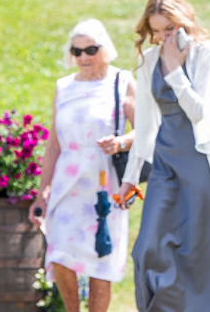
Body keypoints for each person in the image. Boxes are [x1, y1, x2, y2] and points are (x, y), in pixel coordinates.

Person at [116, 0, 210, 312]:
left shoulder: (206, 52)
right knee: (148, 250)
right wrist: (130, 178)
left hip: (201, 167)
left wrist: (174, 72)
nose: (163, 38)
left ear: (183, 21)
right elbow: (145, 126)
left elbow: (199, 112)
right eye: (156, 31)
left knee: (203, 257)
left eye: (169, 29)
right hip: (164, 166)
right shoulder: (149, 60)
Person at [28, 20, 134, 312]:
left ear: (104, 49)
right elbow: (54, 145)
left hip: (104, 184)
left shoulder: (121, 81)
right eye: (77, 51)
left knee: (101, 261)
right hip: (67, 182)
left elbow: (145, 131)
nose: (84, 57)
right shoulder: (63, 87)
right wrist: (42, 191)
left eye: (91, 50)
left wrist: (121, 142)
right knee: (60, 253)